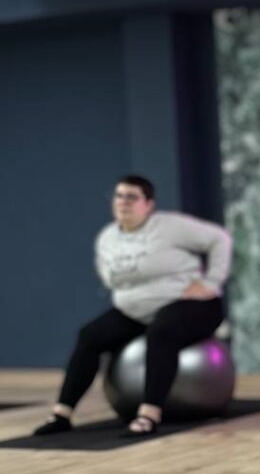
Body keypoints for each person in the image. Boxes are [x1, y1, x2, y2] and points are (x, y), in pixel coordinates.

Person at [34, 175, 232, 437]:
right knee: (89, 335)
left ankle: (149, 415)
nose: (123, 202)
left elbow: (220, 239)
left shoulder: (170, 226)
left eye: (131, 197)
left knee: (161, 332)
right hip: (135, 312)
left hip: (192, 304)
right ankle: (62, 413)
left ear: (148, 204)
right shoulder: (107, 238)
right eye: (119, 196)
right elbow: (111, 278)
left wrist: (212, 281)